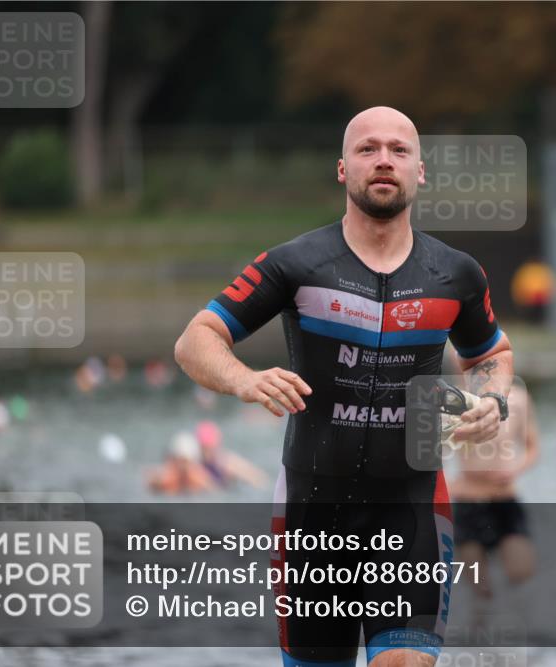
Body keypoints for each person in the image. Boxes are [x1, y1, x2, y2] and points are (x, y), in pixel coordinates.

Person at [174, 106, 513, 667]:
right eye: (368, 149)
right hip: (311, 513)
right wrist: (246, 379)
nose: (384, 160)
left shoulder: (456, 274)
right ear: (342, 169)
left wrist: (494, 399)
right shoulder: (296, 263)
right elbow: (196, 340)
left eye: (399, 150)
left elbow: (492, 354)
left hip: (412, 508)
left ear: (420, 171)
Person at [450, 384, 539, 598]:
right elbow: (425, 453)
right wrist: (446, 486)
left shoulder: (518, 397)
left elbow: (532, 447)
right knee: (481, 588)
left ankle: (520, 621)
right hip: (467, 499)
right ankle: (481, 622)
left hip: (504, 497)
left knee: (522, 572)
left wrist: (516, 469)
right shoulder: (451, 399)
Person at [195, 420, 269, 488]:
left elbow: (259, 480)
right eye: (204, 448)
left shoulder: (227, 462)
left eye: (208, 447)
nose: (207, 452)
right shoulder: (195, 464)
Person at [147, 431, 216, 495]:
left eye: (184, 462)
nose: (181, 467)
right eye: (178, 461)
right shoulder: (165, 476)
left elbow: (211, 488)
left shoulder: (198, 477)